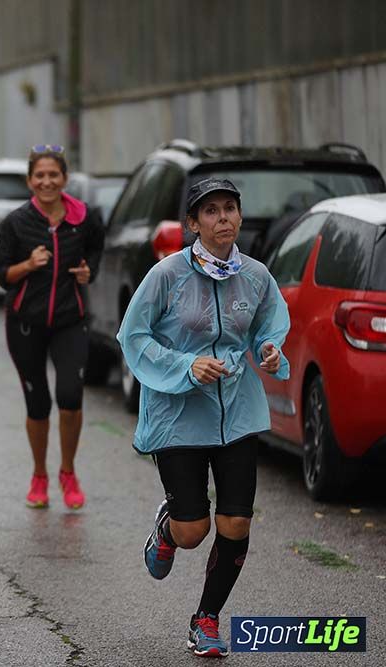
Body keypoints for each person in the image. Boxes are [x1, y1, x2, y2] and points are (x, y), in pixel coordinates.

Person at [117, 178, 290, 658]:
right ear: (193, 223)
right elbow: (133, 337)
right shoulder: (167, 275)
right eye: (210, 211)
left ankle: (207, 619)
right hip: (178, 415)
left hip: (236, 412)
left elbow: (266, 328)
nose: (223, 219)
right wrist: (184, 366)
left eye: (230, 209)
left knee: (236, 523)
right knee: (195, 531)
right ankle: (170, 528)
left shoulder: (255, 275)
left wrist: (270, 351)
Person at [0, 145, 104, 511]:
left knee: (70, 397)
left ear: (65, 179)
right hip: (25, 324)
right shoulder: (16, 223)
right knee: (38, 404)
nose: (47, 181)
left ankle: (67, 472)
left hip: (71, 321)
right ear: (29, 181)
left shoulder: (85, 218)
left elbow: (96, 250)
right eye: (39, 175)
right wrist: (28, 264)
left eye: (53, 174)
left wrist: (89, 272)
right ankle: (39, 474)